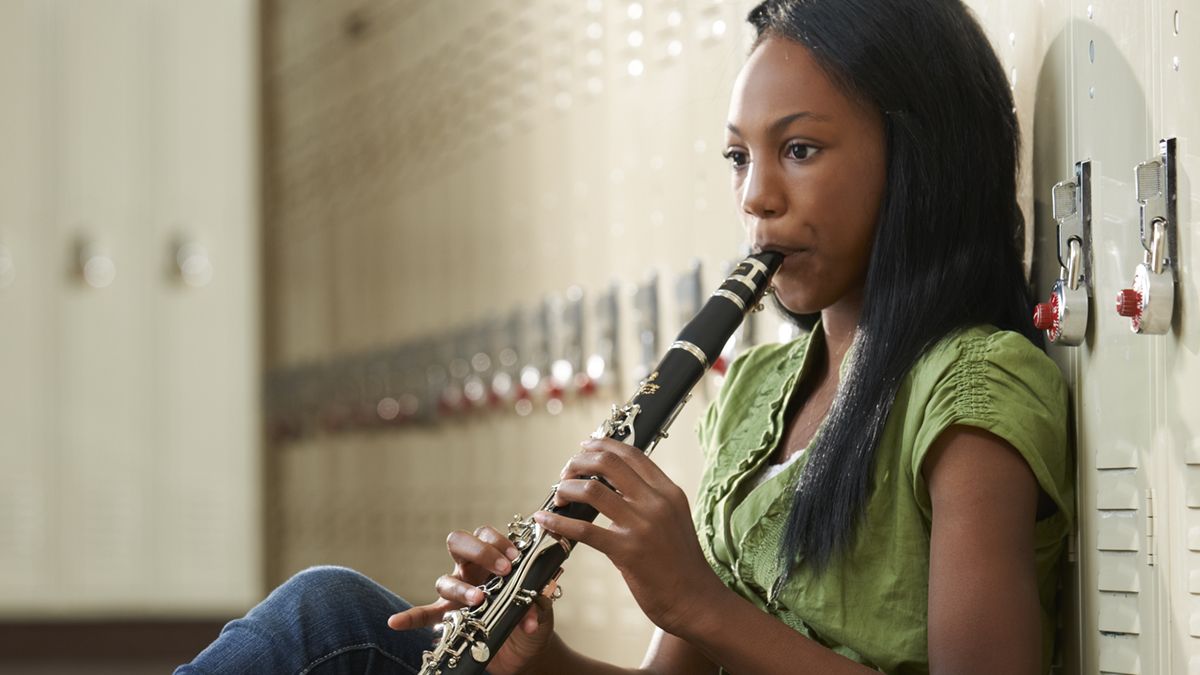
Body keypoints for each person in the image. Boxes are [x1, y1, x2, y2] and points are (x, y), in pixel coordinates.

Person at [178, 0, 1073, 673]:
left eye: (798, 149)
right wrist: (542, 657)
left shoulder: (970, 393)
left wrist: (698, 600)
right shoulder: (761, 386)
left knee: (321, 625)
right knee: (329, 613)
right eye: (739, 157)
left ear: (918, 155)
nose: (757, 195)